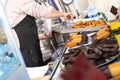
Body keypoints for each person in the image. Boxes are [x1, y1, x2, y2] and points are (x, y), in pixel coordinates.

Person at [5, 0, 73, 67]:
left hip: (25, 44)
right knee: (35, 68)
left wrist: (37, 36)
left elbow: (20, 32)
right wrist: (63, 14)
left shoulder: (8, 4)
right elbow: (40, 11)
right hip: (27, 48)